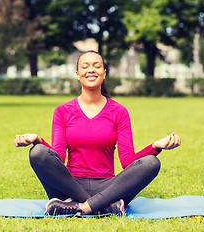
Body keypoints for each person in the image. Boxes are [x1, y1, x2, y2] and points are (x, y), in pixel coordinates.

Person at [14, 50, 181, 216]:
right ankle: (103, 206)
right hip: (70, 187)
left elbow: (127, 161)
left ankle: (82, 207)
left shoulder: (119, 111)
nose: (91, 70)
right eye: (85, 66)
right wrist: (38, 141)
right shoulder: (62, 111)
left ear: (104, 73)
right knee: (38, 153)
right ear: (77, 74)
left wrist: (155, 146)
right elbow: (57, 157)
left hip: (108, 187)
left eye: (97, 66)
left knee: (151, 163)